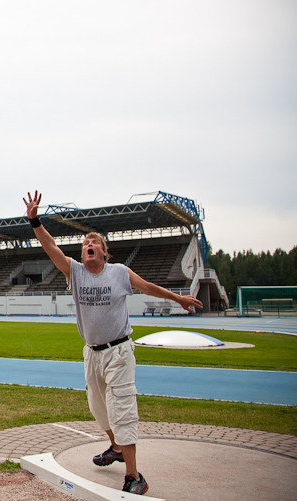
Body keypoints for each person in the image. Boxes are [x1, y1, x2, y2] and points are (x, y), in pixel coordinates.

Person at [23, 190, 202, 495]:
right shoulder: (74, 272)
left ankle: (134, 476)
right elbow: (50, 246)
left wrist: (178, 298)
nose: (88, 246)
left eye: (94, 243)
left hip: (119, 351)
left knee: (121, 408)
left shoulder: (119, 273)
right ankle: (116, 447)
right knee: (98, 408)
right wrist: (35, 221)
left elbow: (147, 287)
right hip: (92, 353)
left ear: (105, 253)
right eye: (85, 244)